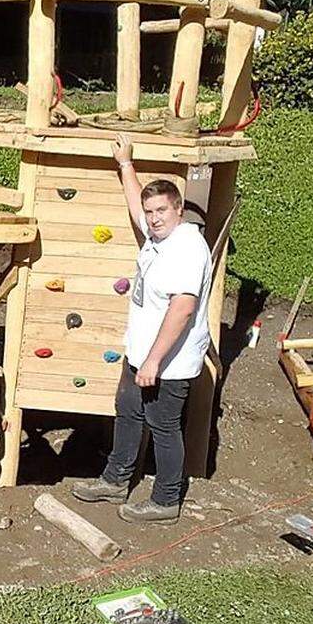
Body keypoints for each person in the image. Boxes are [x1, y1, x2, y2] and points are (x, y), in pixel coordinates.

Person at [71, 134, 213, 525]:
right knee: (129, 411)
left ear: (179, 210)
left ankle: (166, 501)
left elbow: (182, 309)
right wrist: (125, 163)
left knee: (164, 426)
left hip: (168, 362)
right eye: (151, 211)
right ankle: (116, 480)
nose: (153, 217)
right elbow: (136, 205)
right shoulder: (157, 237)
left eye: (161, 211)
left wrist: (153, 361)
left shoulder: (186, 247)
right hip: (141, 355)